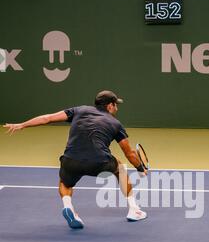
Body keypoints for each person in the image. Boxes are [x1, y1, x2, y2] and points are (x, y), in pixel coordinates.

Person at [4, 90, 147, 229]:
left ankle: (68, 207)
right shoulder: (116, 124)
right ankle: (134, 209)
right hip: (99, 163)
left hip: (71, 161)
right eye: (116, 105)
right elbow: (130, 154)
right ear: (110, 105)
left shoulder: (79, 110)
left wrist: (22, 125)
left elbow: (47, 118)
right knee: (120, 168)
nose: (117, 108)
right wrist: (140, 168)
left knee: (65, 183)